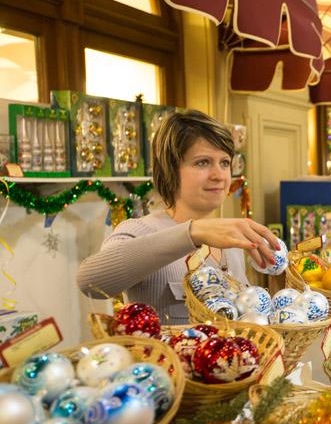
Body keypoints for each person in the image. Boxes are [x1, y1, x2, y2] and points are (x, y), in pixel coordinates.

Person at [77, 110, 280, 324]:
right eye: (202, 162)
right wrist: (193, 232)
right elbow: (90, 282)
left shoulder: (231, 242)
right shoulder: (141, 230)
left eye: (225, 163)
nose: (219, 175)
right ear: (170, 169)